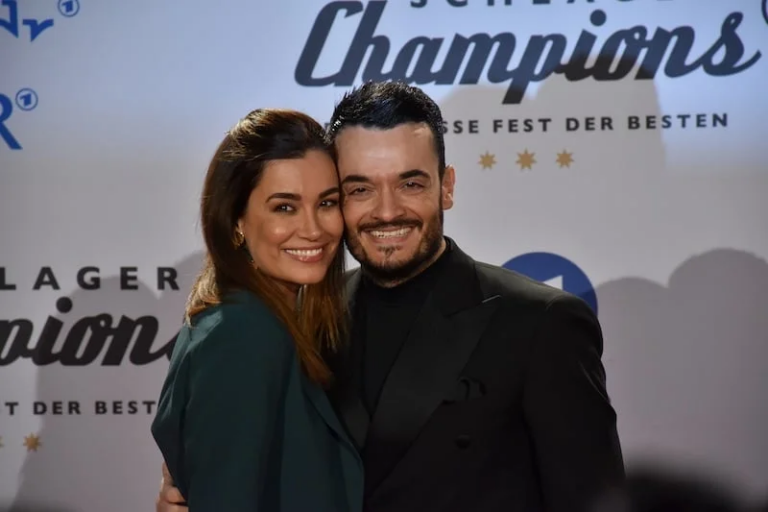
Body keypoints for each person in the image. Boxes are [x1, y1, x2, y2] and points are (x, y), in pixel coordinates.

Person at [156, 82, 625, 512]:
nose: (386, 211)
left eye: (410, 183)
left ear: (447, 187)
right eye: (359, 189)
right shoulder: (296, 321)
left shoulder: (541, 322)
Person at [150, 108, 363, 512]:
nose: (314, 229)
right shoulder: (243, 333)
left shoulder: (257, 319)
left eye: (327, 203)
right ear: (236, 221)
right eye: (285, 207)